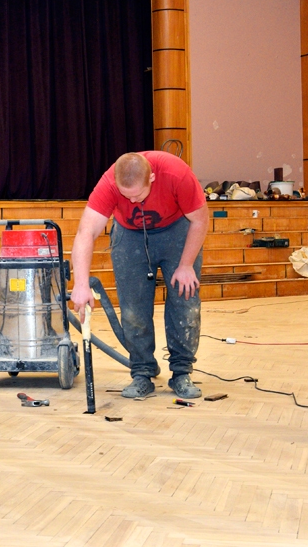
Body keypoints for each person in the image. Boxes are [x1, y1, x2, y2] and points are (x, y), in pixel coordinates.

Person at [71, 151, 208, 399]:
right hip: (129, 234)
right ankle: (142, 372)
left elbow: (200, 220)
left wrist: (186, 265)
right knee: (133, 307)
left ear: (152, 178)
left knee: (185, 302)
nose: (132, 201)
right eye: (126, 195)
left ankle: (181, 372)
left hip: (176, 230)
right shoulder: (109, 183)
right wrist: (80, 283)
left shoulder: (177, 174)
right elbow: (85, 233)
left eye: (138, 195)